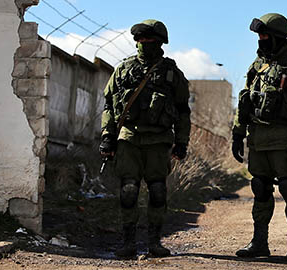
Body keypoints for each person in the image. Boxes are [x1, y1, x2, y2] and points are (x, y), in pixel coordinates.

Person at [231, 13, 287, 261]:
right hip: (258, 138)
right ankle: (259, 243)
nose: (261, 40)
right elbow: (245, 101)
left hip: (284, 138)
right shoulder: (258, 65)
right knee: (259, 187)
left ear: (278, 37)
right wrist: (238, 134)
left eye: (265, 36)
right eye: (259, 36)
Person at [99, 19, 191, 258]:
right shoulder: (124, 69)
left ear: (160, 43)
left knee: (158, 191)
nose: (145, 45)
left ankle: (155, 242)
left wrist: (182, 142)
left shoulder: (171, 72)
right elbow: (109, 105)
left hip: (159, 142)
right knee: (128, 190)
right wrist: (108, 136)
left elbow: (183, 111)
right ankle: (128, 242)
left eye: (150, 41)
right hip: (128, 139)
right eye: (141, 40)